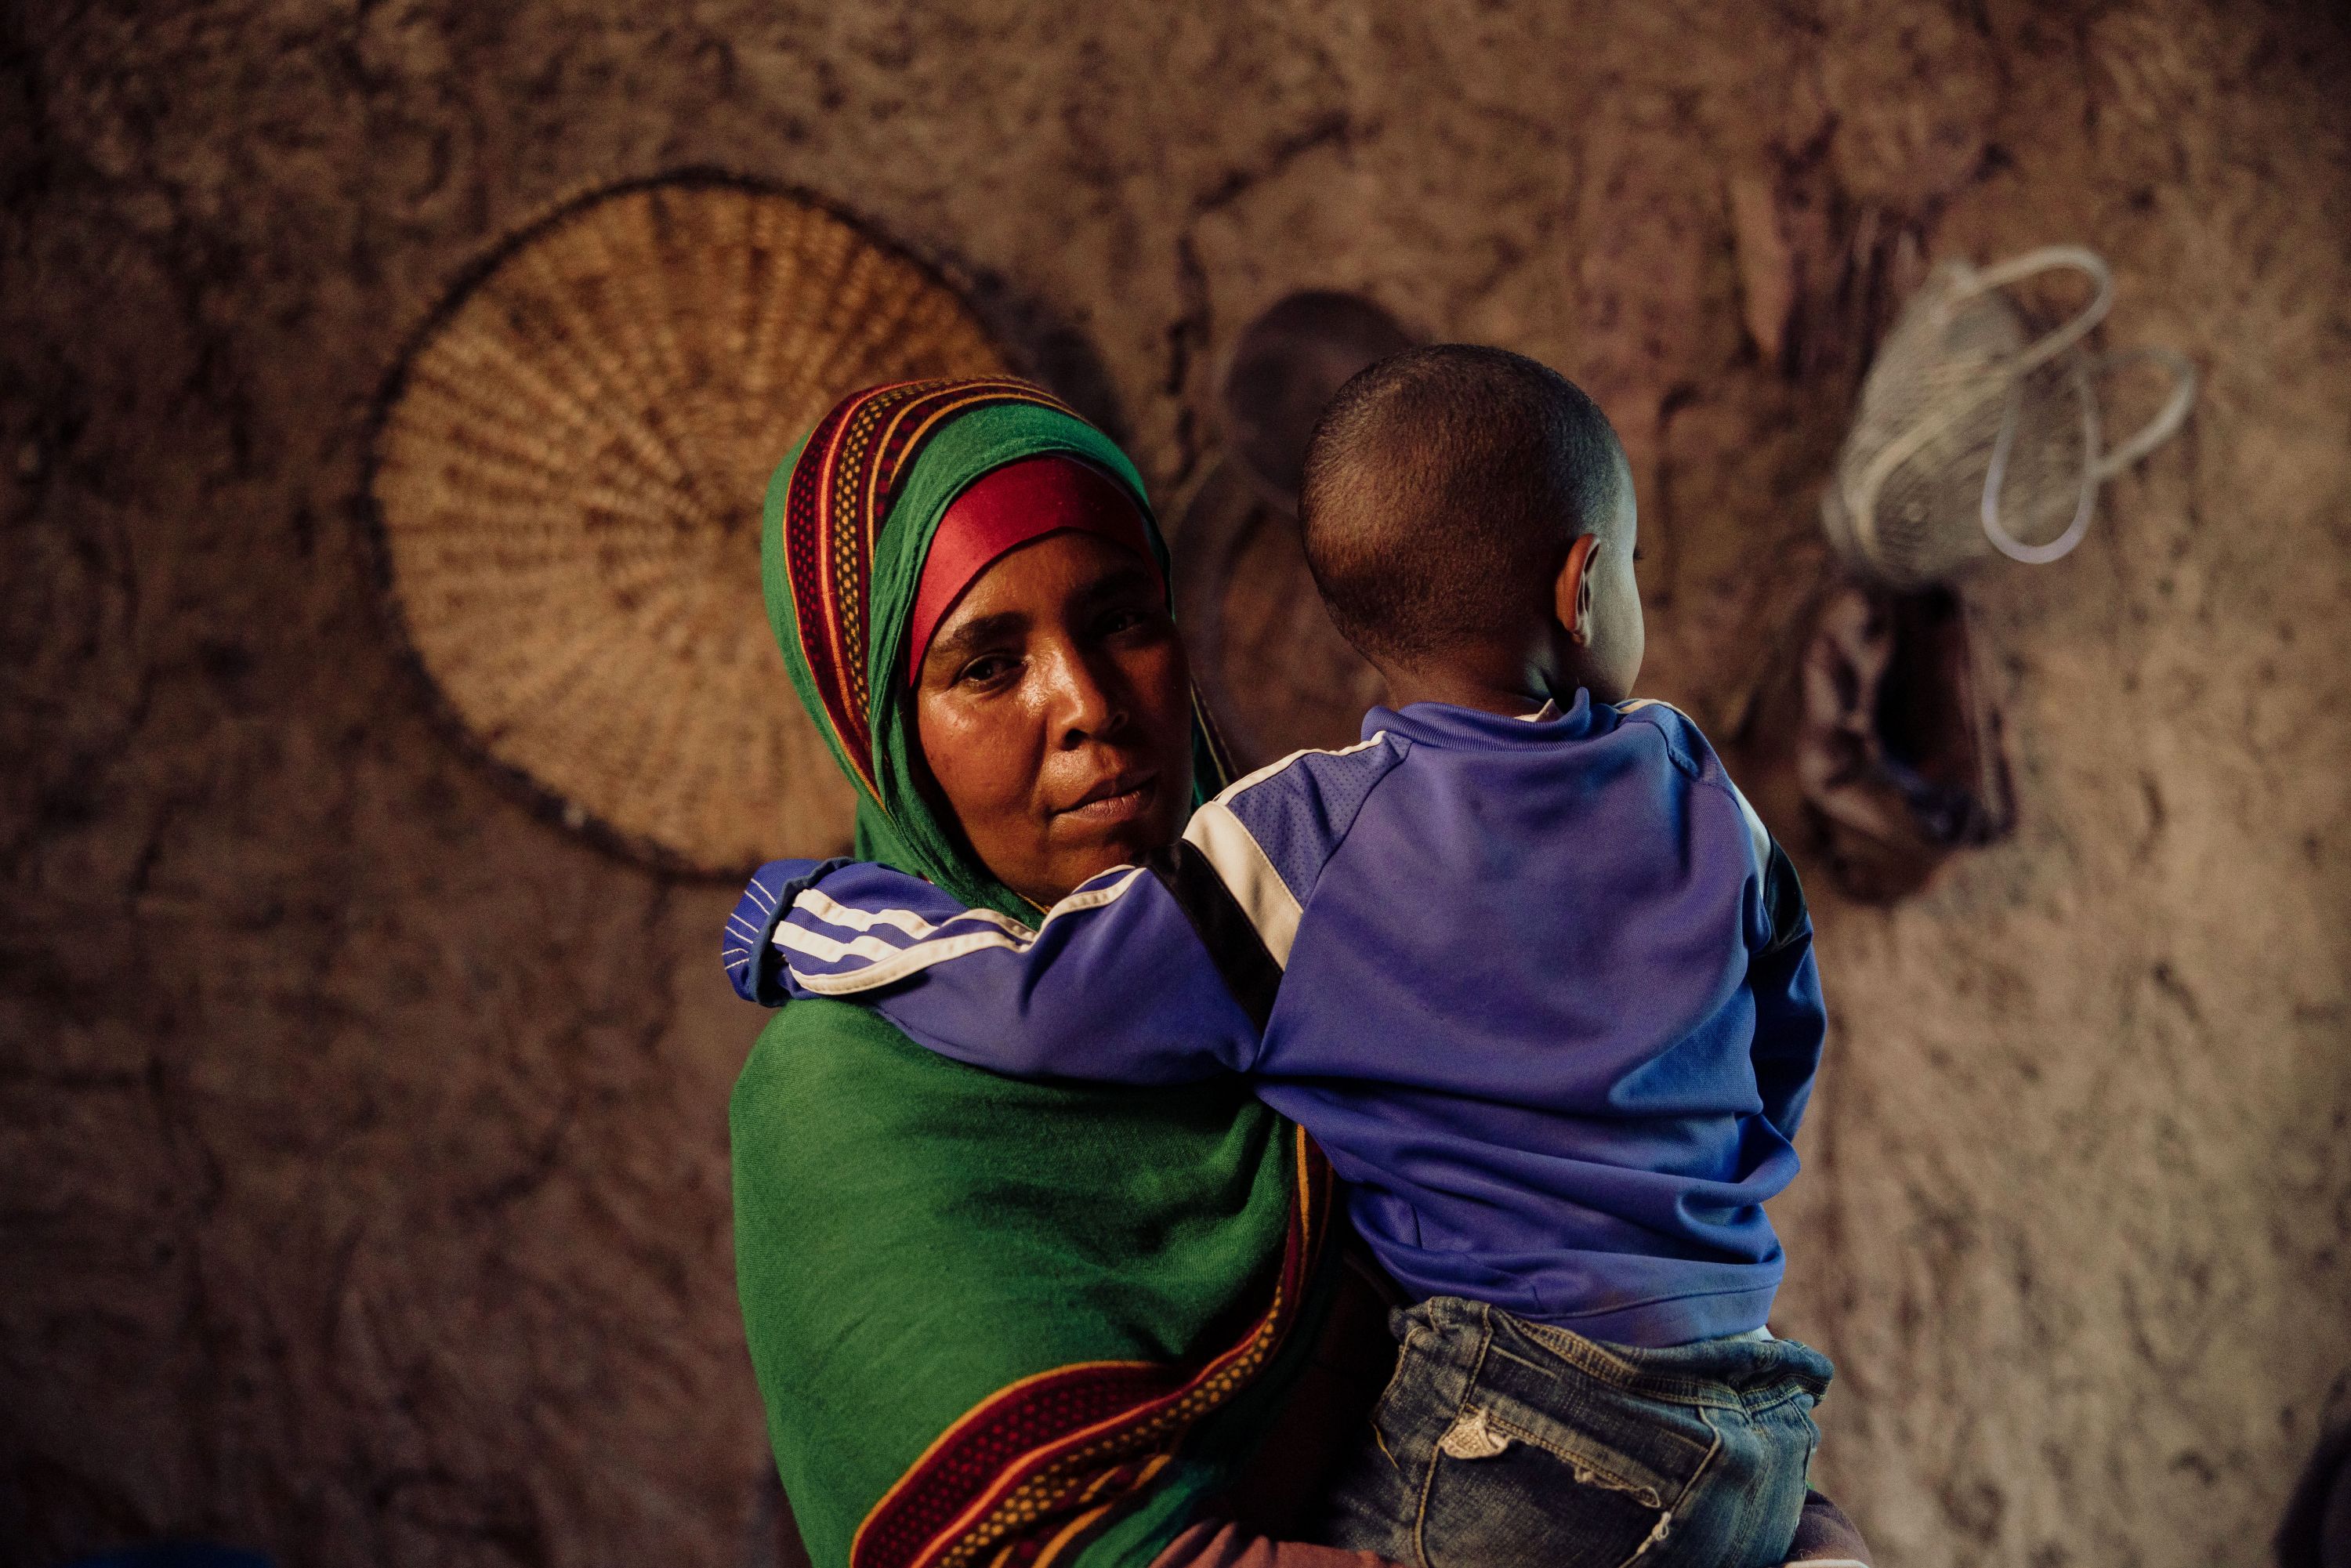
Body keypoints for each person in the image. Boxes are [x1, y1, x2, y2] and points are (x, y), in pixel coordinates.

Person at [730, 349, 1837, 1568]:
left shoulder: (1318, 925)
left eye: (1124, 621)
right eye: (989, 665)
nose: (1088, 701)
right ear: (881, 726)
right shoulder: (852, 1098)